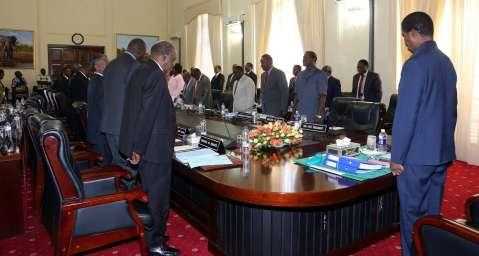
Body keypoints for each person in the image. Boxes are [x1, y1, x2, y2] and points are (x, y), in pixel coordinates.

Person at [390, 12, 457, 256]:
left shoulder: (415, 65)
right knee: (431, 216)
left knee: (411, 215)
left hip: (416, 157)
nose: (405, 42)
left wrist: (397, 156)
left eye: (405, 37)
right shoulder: (446, 62)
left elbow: (406, 115)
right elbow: (451, 111)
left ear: (415, 34)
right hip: (441, 153)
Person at [119, 41, 179, 256]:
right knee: (159, 199)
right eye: (172, 61)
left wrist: (134, 146)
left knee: (151, 194)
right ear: (164, 57)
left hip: (145, 145)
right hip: (154, 149)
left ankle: (156, 235)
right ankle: (156, 245)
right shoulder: (155, 74)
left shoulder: (139, 69)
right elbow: (147, 115)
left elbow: (134, 110)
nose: (172, 66)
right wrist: (139, 148)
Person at [100, 38, 146, 172]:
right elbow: (137, 97)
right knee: (130, 167)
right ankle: (130, 192)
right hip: (124, 127)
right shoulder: (135, 66)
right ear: (141, 52)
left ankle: (119, 189)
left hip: (108, 123)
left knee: (118, 164)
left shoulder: (111, 64)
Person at [87, 55, 111, 165]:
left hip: (96, 126)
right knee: (105, 160)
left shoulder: (96, 80)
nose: (108, 65)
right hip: (99, 128)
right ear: (97, 67)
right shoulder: (99, 81)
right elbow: (104, 107)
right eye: (105, 63)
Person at [294, 51, 328, 122]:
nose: (303, 59)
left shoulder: (321, 74)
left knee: (312, 133)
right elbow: (296, 96)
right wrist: (294, 111)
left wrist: (319, 115)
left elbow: (323, 96)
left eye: (306, 57)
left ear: (313, 59)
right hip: (300, 113)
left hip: (314, 113)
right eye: (303, 57)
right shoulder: (300, 75)